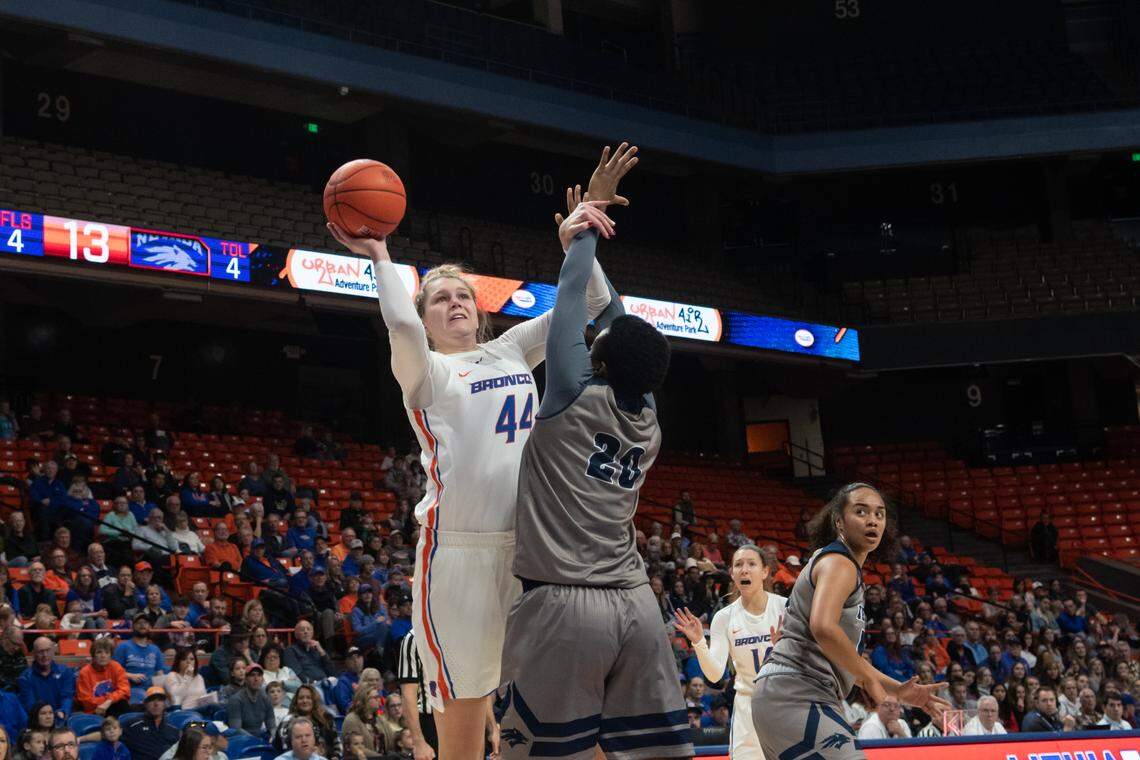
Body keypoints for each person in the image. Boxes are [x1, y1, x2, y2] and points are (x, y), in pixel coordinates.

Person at [327, 145, 629, 760]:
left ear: (480, 308)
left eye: (462, 293)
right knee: (463, 728)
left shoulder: (514, 350)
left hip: (531, 549)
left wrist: (583, 235)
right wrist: (381, 256)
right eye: (440, 298)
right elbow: (401, 328)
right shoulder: (427, 373)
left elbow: (595, 308)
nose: (455, 302)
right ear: (427, 316)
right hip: (456, 555)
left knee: (565, 711)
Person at [500, 194, 691, 758]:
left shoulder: (569, 397)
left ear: (599, 361)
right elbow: (616, 319)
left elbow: (571, 298)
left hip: (564, 603)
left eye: (595, 344)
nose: (591, 337)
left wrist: (583, 227)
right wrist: (585, 226)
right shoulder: (650, 418)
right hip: (635, 605)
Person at [753, 483, 950, 760]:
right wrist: (870, 680)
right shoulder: (839, 563)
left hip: (784, 693)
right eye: (861, 511)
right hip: (797, 694)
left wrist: (898, 690)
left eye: (879, 514)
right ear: (839, 522)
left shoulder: (836, 564)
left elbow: (845, 660)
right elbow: (823, 627)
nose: (872, 520)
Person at [673, 544, 785, 760]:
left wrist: (786, 649)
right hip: (747, 707)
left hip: (784, 703)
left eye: (752, 564)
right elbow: (714, 675)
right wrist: (698, 643)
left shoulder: (785, 608)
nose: (744, 569)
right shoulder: (724, 617)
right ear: (732, 574)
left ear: (765, 571)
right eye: (738, 565)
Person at [396, 630, 437, 760]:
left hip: (463, 717)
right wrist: (418, 742)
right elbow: (408, 696)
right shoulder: (414, 638)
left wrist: (491, 725)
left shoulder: (462, 631)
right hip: (431, 721)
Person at [272, 686, 339, 760]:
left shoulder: (327, 718)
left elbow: (337, 744)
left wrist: (336, 756)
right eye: (301, 698)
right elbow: (286, 748)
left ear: (314, 700)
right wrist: (310, 753)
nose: (305, 701)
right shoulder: (288, 721)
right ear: (296, 701)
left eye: (308, 697)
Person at [18, 638, 75, 724]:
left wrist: (63, 711)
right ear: (34, 654)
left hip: (61, 719)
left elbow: (67, 697)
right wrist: (46, 717)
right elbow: (31, 706)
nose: (45, 655)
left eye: (48, 650)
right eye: (40, 652)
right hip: (38, 722)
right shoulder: (25, 678)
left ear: (53, 651)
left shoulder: (65, 672)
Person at [76, 637, 131, 716]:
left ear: (111, 655)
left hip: (113, 705)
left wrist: (109, 701)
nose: (103, 656)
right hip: (94, 710)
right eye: (99, 652)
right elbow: (86, 701)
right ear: (93, 655)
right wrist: (108, 699)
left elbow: (125, 690)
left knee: (123, 705)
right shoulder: (85, 672)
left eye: (107, 652)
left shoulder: (116, 666)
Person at [227, 663, 276, 738]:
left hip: (259, 737)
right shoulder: (236, 700)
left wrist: (274, 739)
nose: (256, 679)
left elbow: (272, 726)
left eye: (259, 675)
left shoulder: (266, 698)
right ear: (245, 679)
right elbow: (236, 730)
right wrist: (256, 741)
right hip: (241, 740)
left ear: (262, 679)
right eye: (252, 675)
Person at [341, 687, 386, 758]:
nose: (379, 700)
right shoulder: (351, 720)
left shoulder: (379, 719)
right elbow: (355, 748)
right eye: (375, 697)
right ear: (365, 700)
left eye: (379, 697)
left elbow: (391, 741)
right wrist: (382, 758)